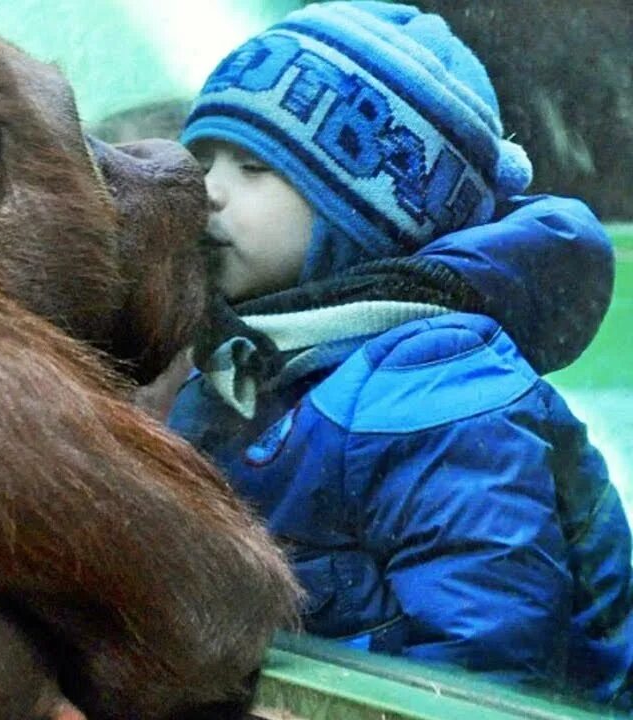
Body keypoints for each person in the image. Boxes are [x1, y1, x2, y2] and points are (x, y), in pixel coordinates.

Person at [165, 0, 633, 707]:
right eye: (200, 157)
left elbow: (482, 664)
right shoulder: (249, 366)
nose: (206, 190)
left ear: (374, 211)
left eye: (255, 166)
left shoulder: (437, 394)